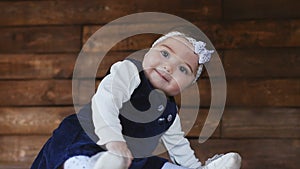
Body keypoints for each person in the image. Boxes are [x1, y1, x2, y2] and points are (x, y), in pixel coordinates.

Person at [31, 31, 242, 169]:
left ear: (188, 85)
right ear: (148, 53)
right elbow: (106, 101)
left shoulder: (168, 112)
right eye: (165, 54)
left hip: (125, 157)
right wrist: (114, 141)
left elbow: (178, 146)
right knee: (79, 154)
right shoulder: (129, 71)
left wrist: (192, 166)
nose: (169, 67)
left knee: (152, 164)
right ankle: (91, 164)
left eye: (183, 69)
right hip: (88, 136)